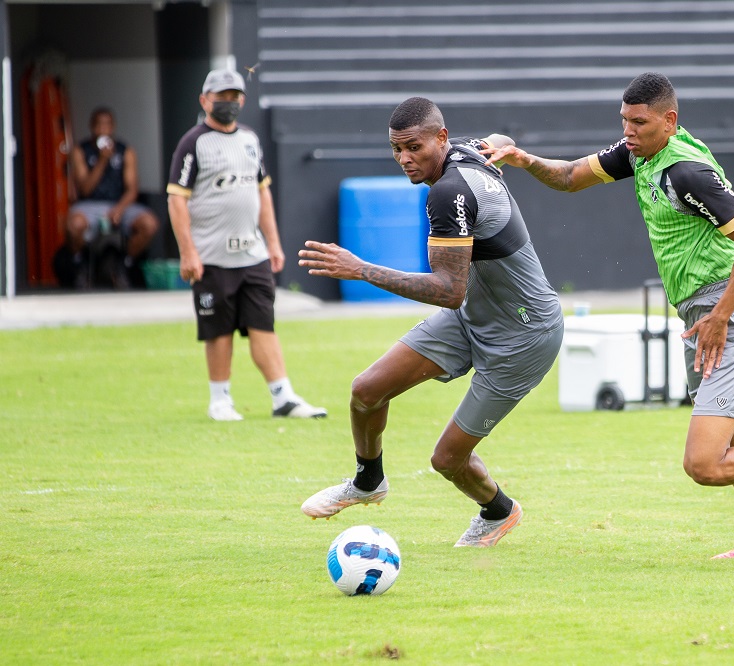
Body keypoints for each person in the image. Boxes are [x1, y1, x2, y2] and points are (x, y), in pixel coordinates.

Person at [482, 73, 734, 558]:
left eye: (638, 122)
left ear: (669, 121)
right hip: (700, 312)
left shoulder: (686, 172)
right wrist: (521, 159)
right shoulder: (639, 153)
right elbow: (567, 178)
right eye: (623, 120)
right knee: (732, 445)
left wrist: (722, 315)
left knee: (705, 464)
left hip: (729, 315)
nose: (628, 130)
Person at [298, 97, 564, 548]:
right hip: (471, 316)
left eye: (413, 147)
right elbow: (500, 139)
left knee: (447, 460)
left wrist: (360, 269)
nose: (404, 159)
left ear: (440, 138)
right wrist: (502, 148)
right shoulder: (464, 151)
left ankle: (499, 511)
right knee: (366, 390)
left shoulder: (448, 193)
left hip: (524, 336)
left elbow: (447, 290)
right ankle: (368, 482)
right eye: (396, 149)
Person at [166, 69, 327, 422]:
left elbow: (261, 192)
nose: (229, 102)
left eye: (234, 95)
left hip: (251, 254)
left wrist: (273, 243)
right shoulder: (193, 143)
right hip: (211, 256)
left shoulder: (251, 140)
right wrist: (188, 251)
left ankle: (283, 396)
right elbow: (177, 199)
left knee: (263, 324)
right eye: (221, 95)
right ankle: (220, 399)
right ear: (204, 100)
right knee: (218, 328)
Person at [66, 107, 159, 289]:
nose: (103, 129)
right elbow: (85, 189)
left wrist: (119, 209)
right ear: (91, 126)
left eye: (107, 125)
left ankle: (123, 264)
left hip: (120, 204)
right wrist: (102, 160)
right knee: (73, 225)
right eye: (98, 125)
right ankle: (81, 264)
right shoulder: (81, 151)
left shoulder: (126, 151)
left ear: (113, 127)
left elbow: (132, 189)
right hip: (90, 204)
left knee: (149, 224)